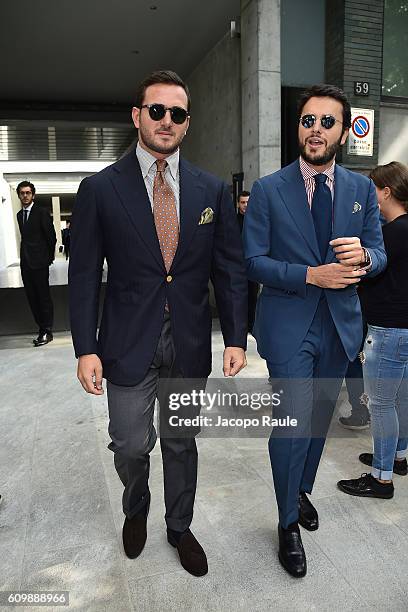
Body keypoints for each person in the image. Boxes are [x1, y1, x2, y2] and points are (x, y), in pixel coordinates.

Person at [69, 70, 247, 577]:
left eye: (178, 114)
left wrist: (235, 338)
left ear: (187, 124)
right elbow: (84, 276)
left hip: (188, 340)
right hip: (126, 342)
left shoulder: (209, 189)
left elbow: (229, 270)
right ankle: (137, 505)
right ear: (137, 115)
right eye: (157, 110)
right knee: (130, 441)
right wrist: (86, 347)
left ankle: (179, 525)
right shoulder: (101, 189)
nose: (166, 121)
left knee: (180, 440)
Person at [243, 84, 386, 578]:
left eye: (327, 122)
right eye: (308, 121)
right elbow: (254, 261)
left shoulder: (362, 190)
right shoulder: (267, 190)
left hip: (340, 326)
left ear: (344, 131)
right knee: (292, 426)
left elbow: (378, 250)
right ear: (297, 127)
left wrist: (366, 258)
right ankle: (286, 524)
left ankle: (299, 490)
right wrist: (310, 274)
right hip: (288, 326)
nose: (316, 130)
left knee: (318, 424)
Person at [338, 161, 408, 498]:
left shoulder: (392, 233)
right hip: (404, 328)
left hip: (389, 329)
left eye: (372, 189)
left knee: (381, 404)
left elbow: (368, 273)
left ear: (386, 191)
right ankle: (398, 456)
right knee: (401, 399)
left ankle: (381, 478)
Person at [16, 181, 56, 346]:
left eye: (28, 193)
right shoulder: (19, 215)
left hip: (39, 263)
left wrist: (48, 259)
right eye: (22, 193)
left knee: (43, 297)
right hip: (25, 263)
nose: (25, 196)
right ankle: (41, 328)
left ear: (33, 195)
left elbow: (51, 237)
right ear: (19, 195)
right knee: (32, 298)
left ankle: (47, 331)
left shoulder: (41, 212)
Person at [237, 190, 259, 333]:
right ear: (238, 204)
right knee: (238, 300)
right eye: (243, 202)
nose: (245, 205)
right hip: (237, 268)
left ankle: (252, 327)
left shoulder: (257, 221)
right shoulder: (232, 221)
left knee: (253, 298)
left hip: (253, 266)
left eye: (248, 202)